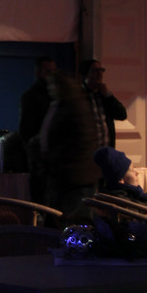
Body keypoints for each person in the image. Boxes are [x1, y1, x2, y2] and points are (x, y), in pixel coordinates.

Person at [39, 71, 98, 217]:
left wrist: (55, 159)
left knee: (72, 220)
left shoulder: (72, 106)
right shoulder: (68, 104)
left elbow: (79, 142)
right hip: (71, 176)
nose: (50, 89)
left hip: (74, 177)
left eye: (52, 85)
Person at [19, 56, 56, 202]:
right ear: (38, 73)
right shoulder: (32, 97)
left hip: (53, 160)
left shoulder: (56, 96)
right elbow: (26, 131)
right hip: (41, 159)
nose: (52, 76)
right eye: (48, 72)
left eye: (53, 71)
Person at [93, 146, 147, 211]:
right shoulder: (122, 201)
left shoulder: (133, 194)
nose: (136, 173)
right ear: (121, 179)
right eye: (132, 170)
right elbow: (139, 211)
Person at [80, 59, 127, 151]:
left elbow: (122, 115)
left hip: (107, 150)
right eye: (95, 70)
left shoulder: (103, 95)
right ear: (86, 74)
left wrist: (108, 96)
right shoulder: (79, 96)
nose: (100, 73)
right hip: (88, 152)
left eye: (101, 70)